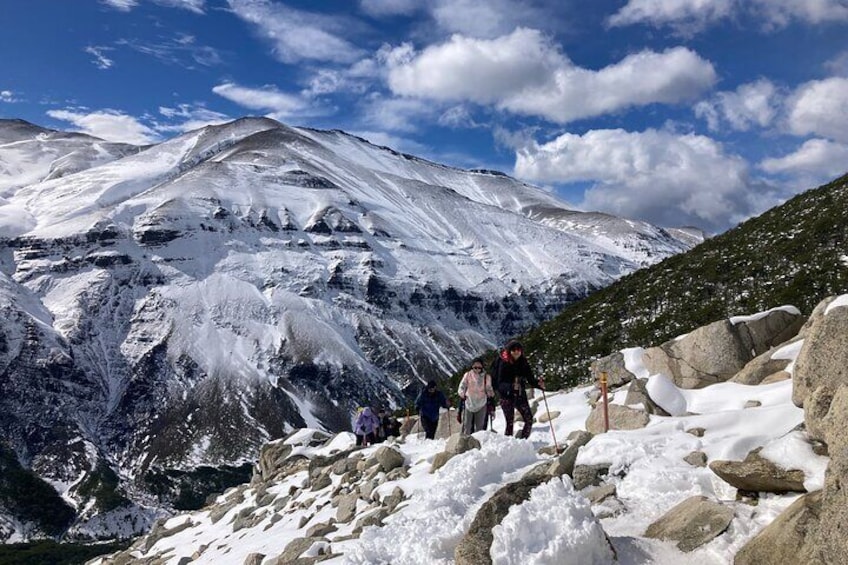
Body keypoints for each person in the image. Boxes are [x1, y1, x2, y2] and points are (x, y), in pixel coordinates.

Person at [491, 340, 544, 439]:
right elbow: (499, 383)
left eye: (518, 349)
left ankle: (521, 443)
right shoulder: (503, 362)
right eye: (513, 350)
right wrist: (511, 387)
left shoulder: (523, 362)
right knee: (510, 423)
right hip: (506, 396)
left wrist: (538, 384)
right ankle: (510, 445)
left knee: (528, 420)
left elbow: (530, 378)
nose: (516, 352)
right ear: (509, 351)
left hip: (520, 394)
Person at [458, 358, 494, 435]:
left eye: (479, 368)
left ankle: (477, 443)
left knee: (479, 427)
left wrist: (490, 395)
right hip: (469, 402)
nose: (477, 369)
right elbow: (462, 386)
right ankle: (466, 443)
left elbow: (489, 389)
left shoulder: (486, 377)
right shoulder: (467, 375)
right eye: (475, 367)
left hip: (481, 403)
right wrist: (462, 394)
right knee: (467, 426)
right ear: (472, 367)